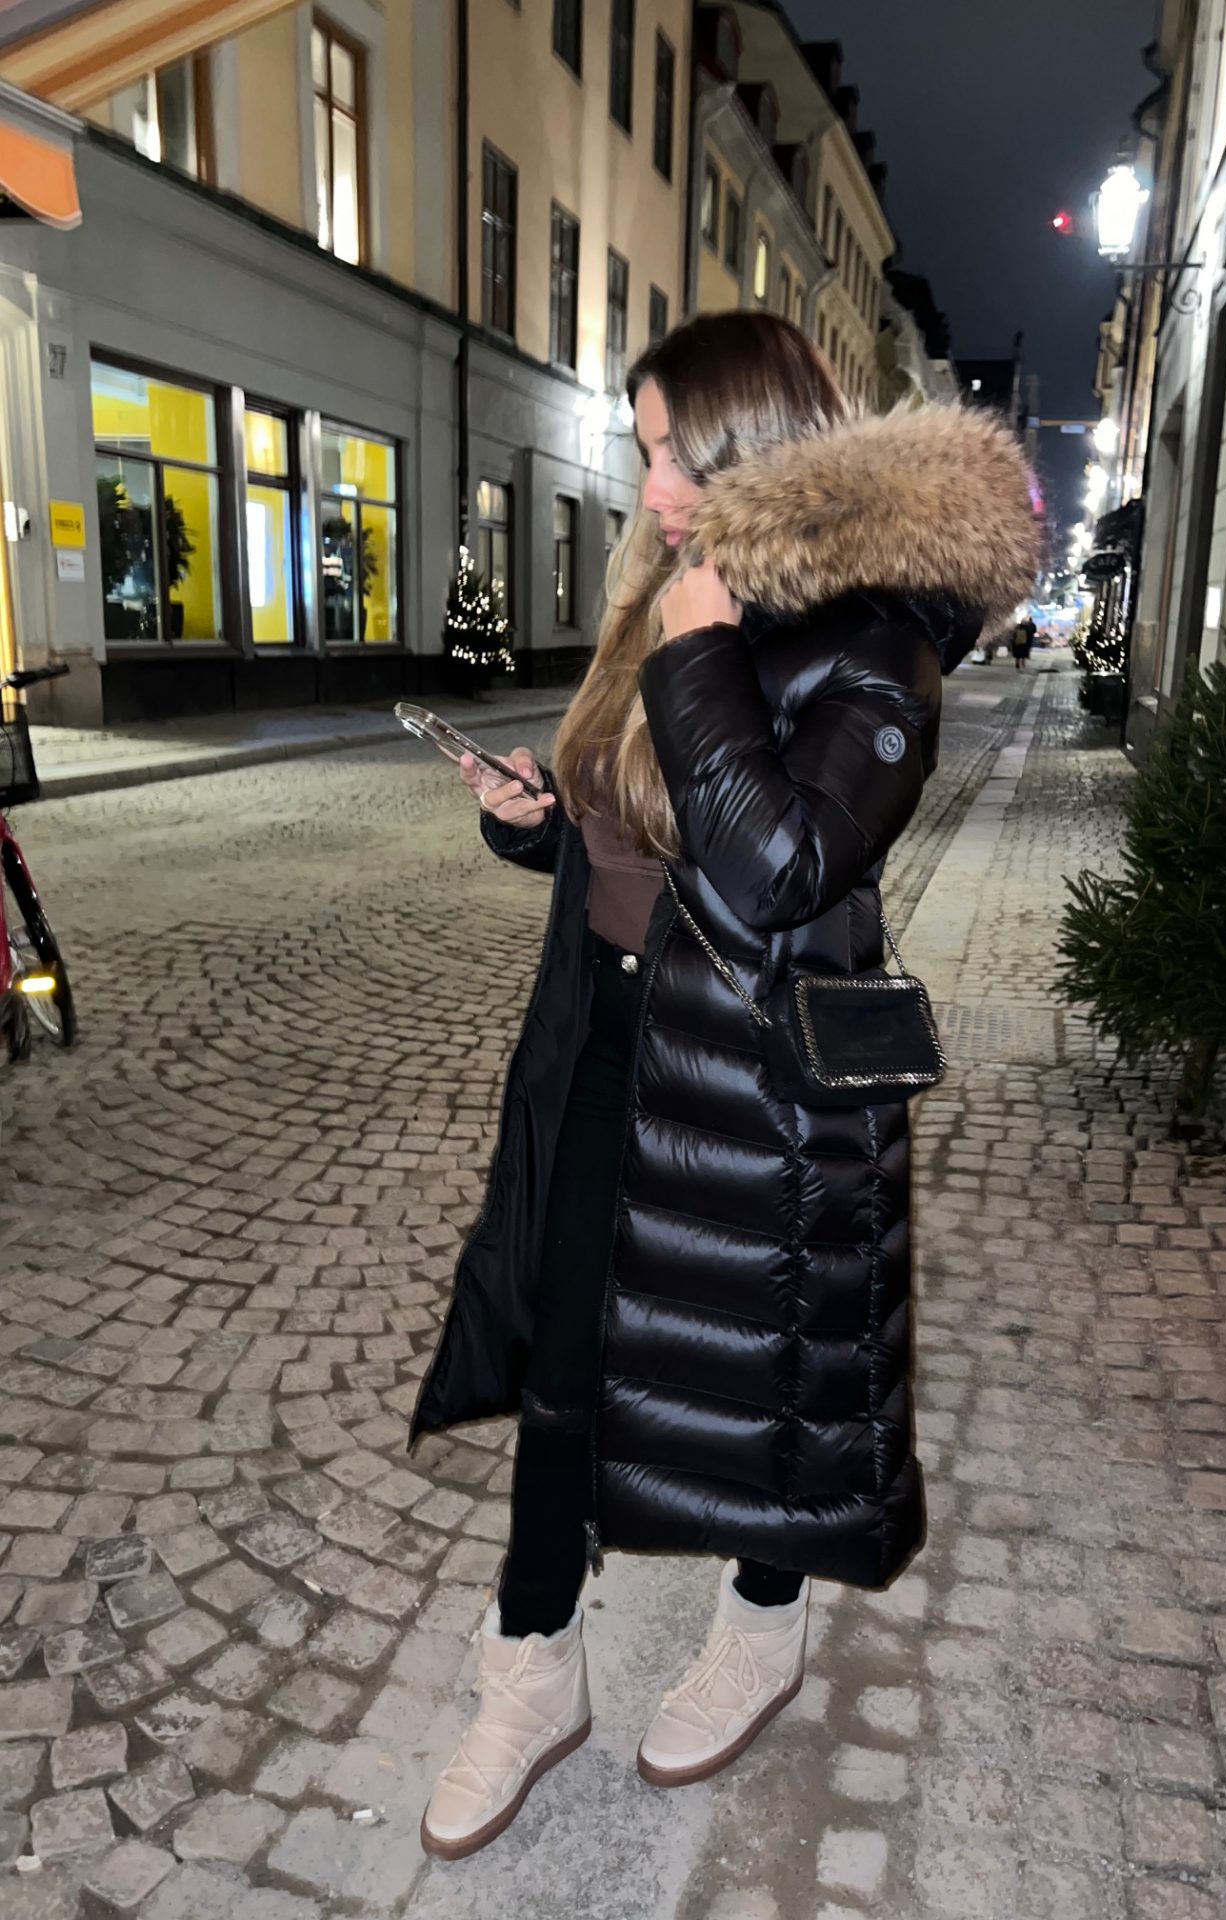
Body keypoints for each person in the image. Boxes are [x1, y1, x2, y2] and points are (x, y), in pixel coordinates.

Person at [410, 311, 1039, 1859]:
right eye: (642, 455)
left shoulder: (881, 639)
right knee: (566, 1371)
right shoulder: (667, 587)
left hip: (764, 1079)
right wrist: (540, 821)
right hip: (608, 1043)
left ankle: (763, 1629)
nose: (651, 488)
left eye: (669, 453)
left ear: (753, 440)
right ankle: (531, 1672)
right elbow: (643, 829)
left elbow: (778, 867)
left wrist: (695, 654)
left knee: (773, 1380)